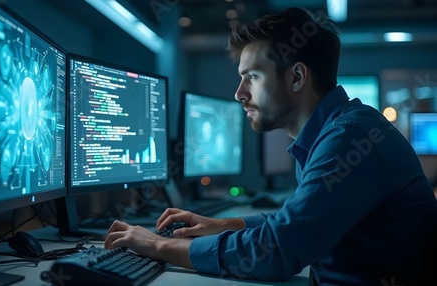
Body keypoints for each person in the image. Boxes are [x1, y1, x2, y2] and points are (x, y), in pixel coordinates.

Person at [104, 7, 437, 285]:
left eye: (252, 76)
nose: (239, 93)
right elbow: (297, 222)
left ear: (296, 77)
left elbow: (276, 250)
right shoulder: (328, 133)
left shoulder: (350, 137)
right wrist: (218, 224)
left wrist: (157, 245)